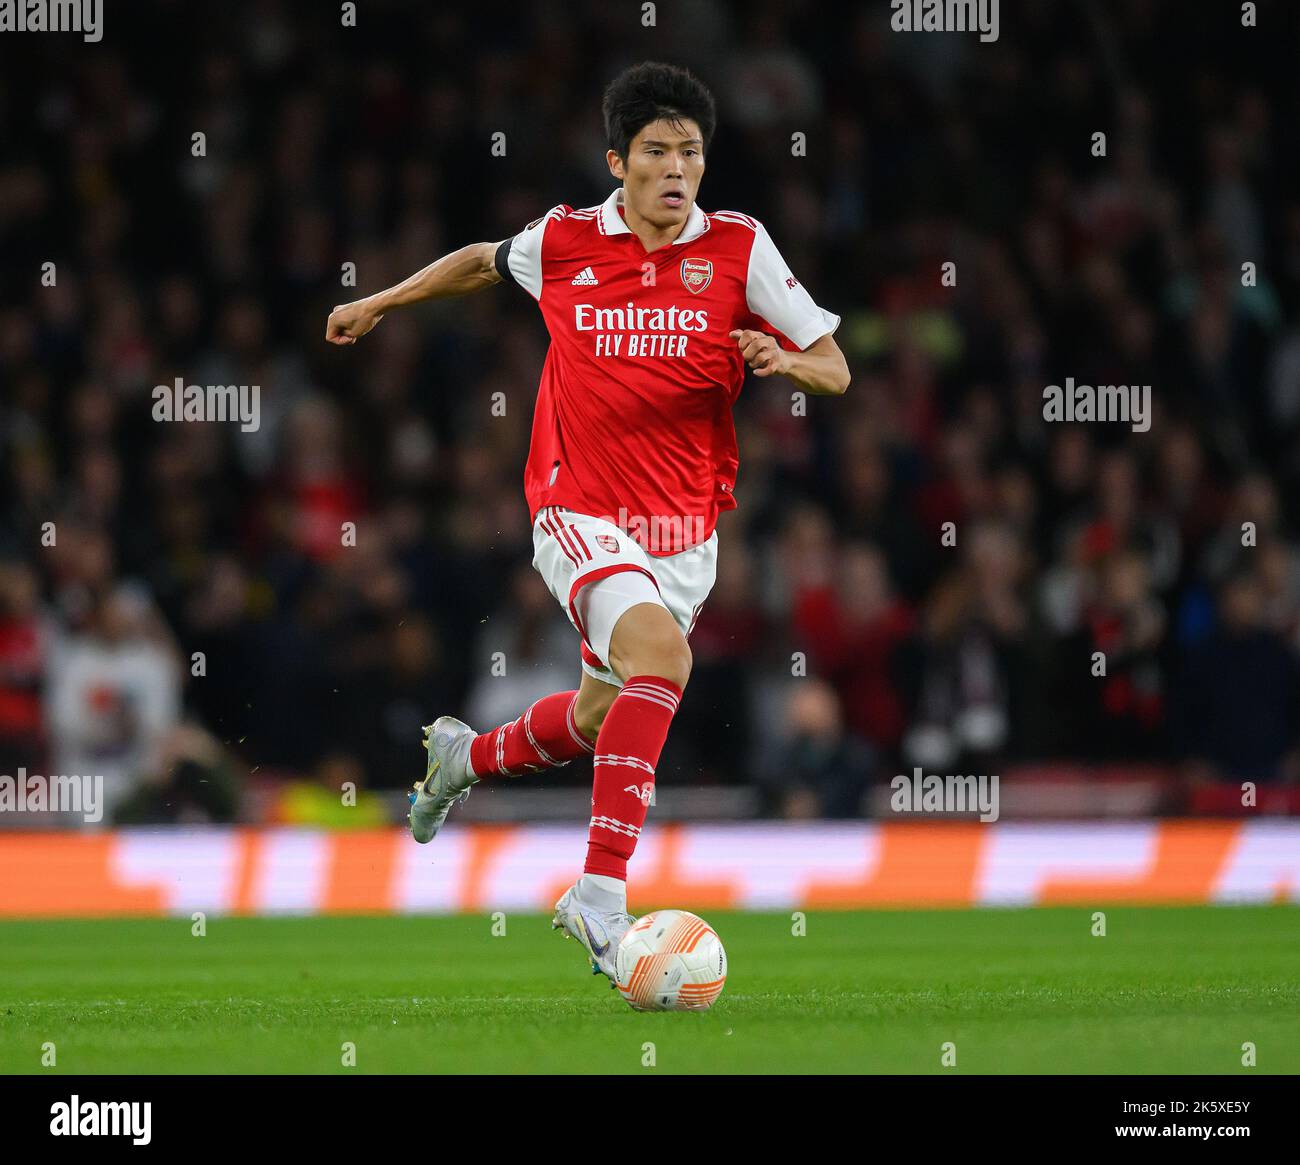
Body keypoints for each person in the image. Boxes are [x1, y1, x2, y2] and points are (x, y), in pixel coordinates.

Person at [326, 61, 848, 983]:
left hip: (685, 530)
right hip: (576, 506)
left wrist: (781, 356)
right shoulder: (567, 241)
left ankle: (463, 758)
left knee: (606, 712)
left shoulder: (739, 248)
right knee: (668, 663)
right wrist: (381, 301)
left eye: (690, 151)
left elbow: (835, 368)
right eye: (656, 151)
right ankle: (598, 897)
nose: (677, 168)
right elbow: (480, 261)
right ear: (619, 161)